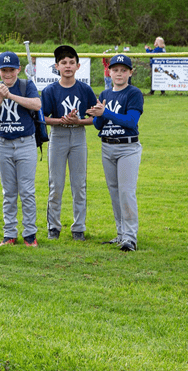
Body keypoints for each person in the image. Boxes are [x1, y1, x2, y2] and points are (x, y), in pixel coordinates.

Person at [0, 51, 42, 246]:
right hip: (4, 144)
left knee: (27, 191)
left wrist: (11, 96)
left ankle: (30, 234)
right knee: (8, 192)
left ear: (18, 69)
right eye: (4, 70)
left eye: (11, 70)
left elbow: (36, 104)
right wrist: (0, 97)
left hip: (25, 143)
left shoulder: (26, 85)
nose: (8, 74)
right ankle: (10, 234)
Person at [40, 45, 98, 241]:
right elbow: (43, 118)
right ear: (57, 66)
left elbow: (96, 118)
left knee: (79, 184)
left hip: (78, 136)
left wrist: (79, 121)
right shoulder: (50, 90)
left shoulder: (85, 89)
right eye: (63, 62)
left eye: (71, 62)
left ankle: (78, 228)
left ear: (78, 66)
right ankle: (53, 227)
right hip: (58, 136)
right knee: (56, 184)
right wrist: (61, 120)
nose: (67, 66)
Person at [87, 54, 144, 252]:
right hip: (107, 146)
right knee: (114, 192)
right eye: (115, 70)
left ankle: (130, 237)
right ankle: (120, 233)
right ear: (109, 72)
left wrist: (106, 113)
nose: (119, 73)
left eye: (123, 70)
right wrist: (96, 114)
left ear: (130, 73)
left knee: (127, 193)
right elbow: (98, 125)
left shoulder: (133, 93)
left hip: (127, 147)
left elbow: (131, 122)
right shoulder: (104, 94)